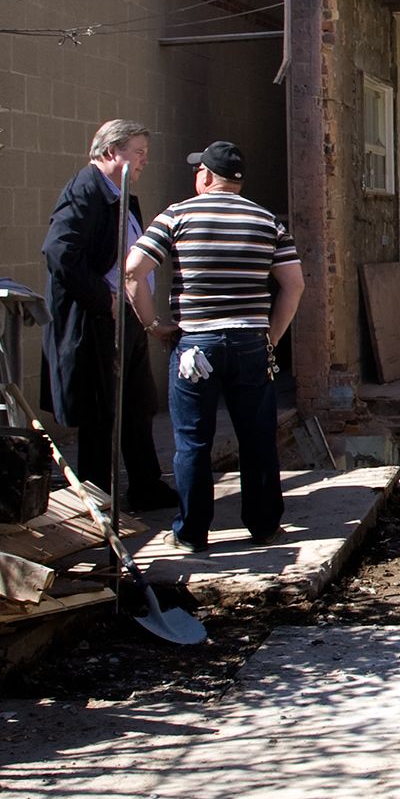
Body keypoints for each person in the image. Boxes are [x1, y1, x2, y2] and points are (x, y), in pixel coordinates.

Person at [122, 140, 305, 555]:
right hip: (250, 343)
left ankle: (191, 532)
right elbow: (293, 285)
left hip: (195, 347)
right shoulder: (266, 221)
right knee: (257, 438)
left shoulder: (177, 215)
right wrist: (271, 337)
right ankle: (263, 526)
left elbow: (133, 271)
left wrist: (153, 325)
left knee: (192, 442)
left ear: (204, 176)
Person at [41, 119, 179, 510]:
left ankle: (145, 486)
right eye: (138, 153)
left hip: (127, 320)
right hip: (101, 322)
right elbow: (59, 253)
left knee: (137, 405)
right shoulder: (85, 191)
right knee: (101, 413)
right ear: (108, 153)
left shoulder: (123, 195)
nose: (144, 162)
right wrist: (107, 299)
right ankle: (96, 496)